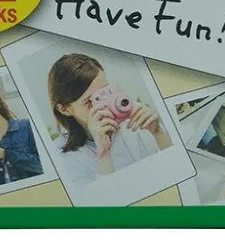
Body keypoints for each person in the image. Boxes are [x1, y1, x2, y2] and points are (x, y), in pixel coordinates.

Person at [48, 53, 172, 185]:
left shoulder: (136, 117)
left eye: (106, 92)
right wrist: (103, 155)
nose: (106, 106)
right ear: (64, 109)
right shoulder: (61, 157)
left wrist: (158, 134)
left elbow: (173, 170)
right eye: (91, 101)